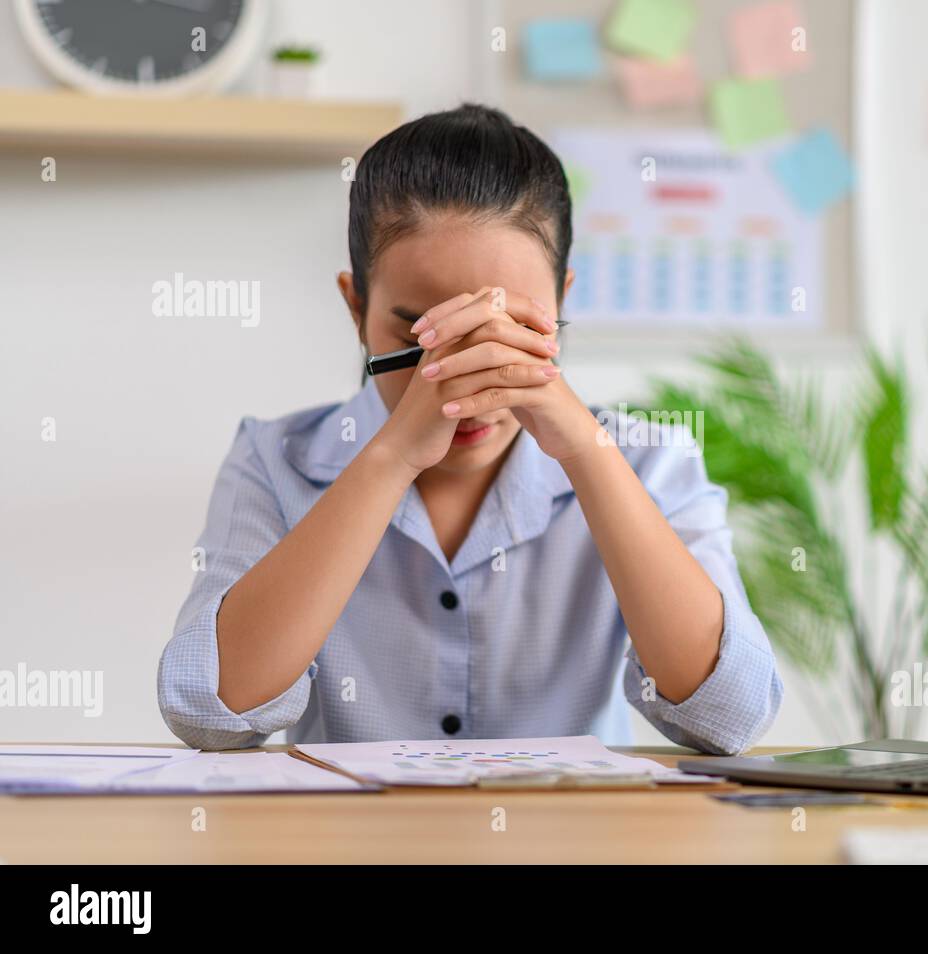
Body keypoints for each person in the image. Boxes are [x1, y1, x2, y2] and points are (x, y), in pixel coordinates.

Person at [157, 104, 783, 754]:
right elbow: (210, 712)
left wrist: (583, 452)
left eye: (509, 333)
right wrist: (392, 455)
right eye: (419, 336)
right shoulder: (273, 460)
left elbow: (730, 717)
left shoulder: (651, 460)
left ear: (561, 301)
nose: (464, 382)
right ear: (355, 307)